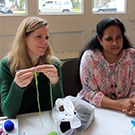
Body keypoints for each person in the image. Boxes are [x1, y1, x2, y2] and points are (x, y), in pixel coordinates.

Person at [0, 16, 64, 118]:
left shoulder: (53, 64)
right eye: (39, 36)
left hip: (47, 121)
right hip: (22, 123)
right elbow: (8, 112)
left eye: (46, 38)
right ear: (24, 38)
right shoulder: (7, 64)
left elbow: (60, 108)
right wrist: (17, 86)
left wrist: (55, 83)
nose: (45, 42)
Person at [77, 17, 135, 116]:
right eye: (109, 39)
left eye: (118, 37)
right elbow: (90, 93)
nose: (115, 43)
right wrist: (120, 105)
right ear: (100, 39)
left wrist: (132, 103)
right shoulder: (90, 58)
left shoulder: (132, 56)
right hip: (93, 110)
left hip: (125, 110)